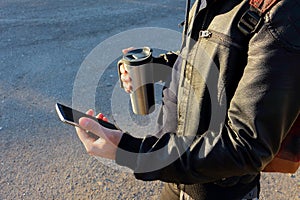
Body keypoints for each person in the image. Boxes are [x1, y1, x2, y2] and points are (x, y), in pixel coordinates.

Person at [75, 0, 300, 199]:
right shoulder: (207, 3)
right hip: (176, 178)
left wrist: (131, 151)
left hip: (221, 191)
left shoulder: (280, 14)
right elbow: (206, 60)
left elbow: (247, 146)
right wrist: (155, 69)